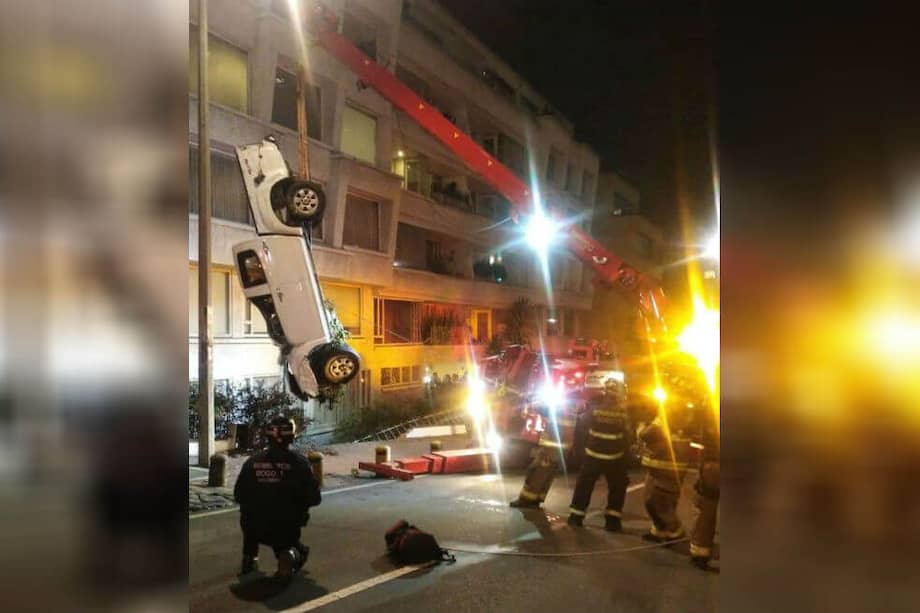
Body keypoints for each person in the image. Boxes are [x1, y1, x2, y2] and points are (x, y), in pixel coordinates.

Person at [234, 415, 321, 581]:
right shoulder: (300, 463)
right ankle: (289, 555)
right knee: (289, 537)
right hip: (285, 528)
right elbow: (315, 498)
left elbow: (238, 495)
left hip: (254, 528)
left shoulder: (252, 462)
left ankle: (249, 558)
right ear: (292, 437)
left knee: (249, 514)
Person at [567, 381, 631, 530]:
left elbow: (582, 428)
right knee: (618, 488)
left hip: (593, 455)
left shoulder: (595, 407)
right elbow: (628, 436)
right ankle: (612, 522)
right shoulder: (624, 412)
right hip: (615, 458)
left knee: (584, 486)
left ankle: (576, 517)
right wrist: (626, 455)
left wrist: (579, 451)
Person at [509, 393, 580, 508]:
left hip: (552, 448)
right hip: (559, 448)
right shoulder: (571, 410)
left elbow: (544, 409)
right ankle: (536, 499)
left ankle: (526, 500)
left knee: (537, 471)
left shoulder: (561, 410)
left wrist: (532, 400)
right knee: (547, 473)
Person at [638, 402, 693, 542]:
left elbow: (646, 434)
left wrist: (641, 427)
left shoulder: (665, 420)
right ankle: (660, 531)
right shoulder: (682, 417)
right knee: (653, 501)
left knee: (659, 502)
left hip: (666, 468)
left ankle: (675, 532)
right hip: (663, 467)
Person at [689, 405, 720, 570]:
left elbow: (702, 447)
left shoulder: (711, 415)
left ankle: (700, 554)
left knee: (706, 510)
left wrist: (702, 472)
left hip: (714, 468)